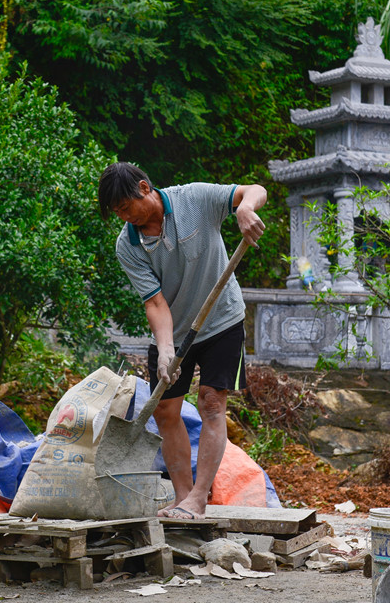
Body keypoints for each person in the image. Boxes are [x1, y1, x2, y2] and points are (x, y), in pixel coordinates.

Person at [98, 162, 267, 520]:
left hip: (221, 320)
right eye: (117, 213)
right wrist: (166, 351)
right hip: (174, 332)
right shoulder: (128, 245)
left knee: (210, 403)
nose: (124, 217)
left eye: (126, 207)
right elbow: (156, 303)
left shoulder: (194, 199)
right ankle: (181, 496)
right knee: (165, 409)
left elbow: (252, 189)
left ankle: (199, 499)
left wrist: (246, 209)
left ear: (145, 188)